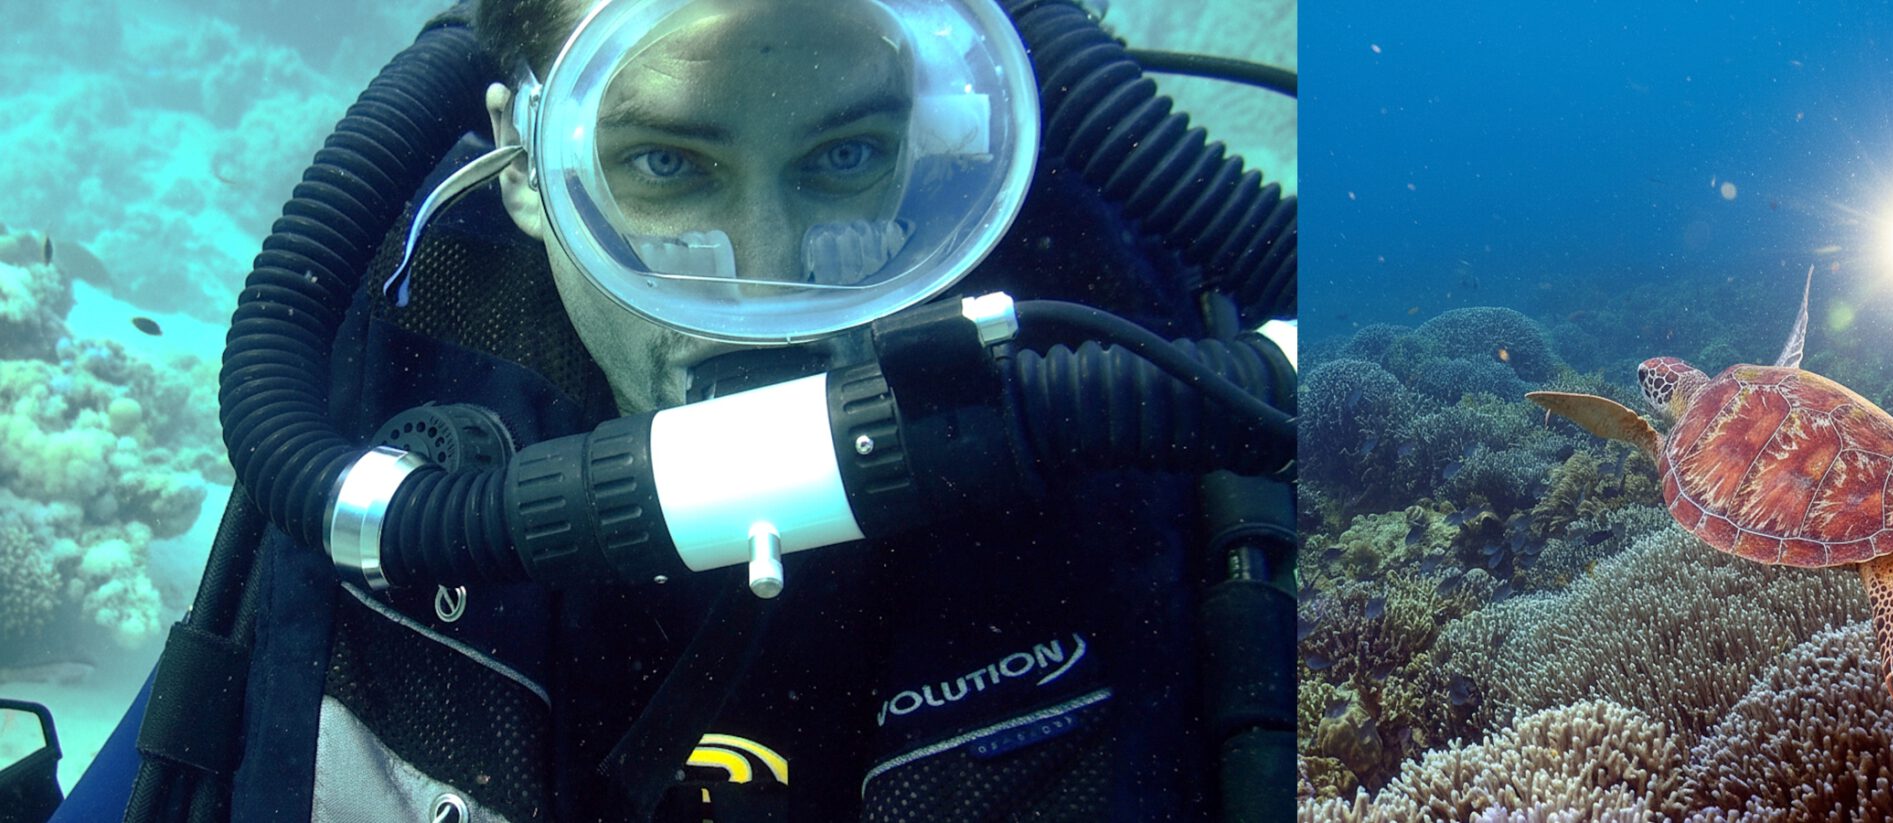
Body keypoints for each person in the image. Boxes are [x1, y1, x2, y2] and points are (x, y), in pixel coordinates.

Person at [58, 1, 1300, 821]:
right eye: (666, 164)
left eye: (847, 156)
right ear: (528, 164)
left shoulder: (1121, 379)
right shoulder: (407, 340)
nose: (768, 281)